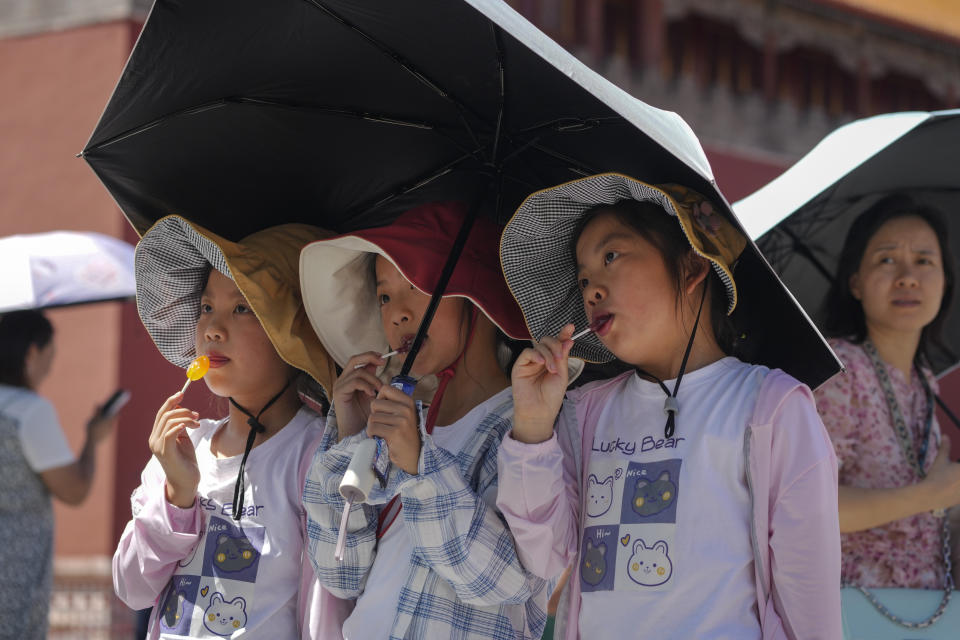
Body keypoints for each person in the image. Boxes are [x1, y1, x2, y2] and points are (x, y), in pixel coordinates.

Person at [495, 174, 842, 639]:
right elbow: (542, 557)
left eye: (611, 256)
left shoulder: (771, 408)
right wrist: (534, 428)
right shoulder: (584, 413)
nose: (592, 288)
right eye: (582, 278)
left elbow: (808, 592)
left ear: (693, 267)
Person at [299, 201, 549, 639]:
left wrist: (420, 467)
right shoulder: (402, 417)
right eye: (383, 295)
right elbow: (341, 575)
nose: (396, 312)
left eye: (415, 283)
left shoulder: (527, 427)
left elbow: (504, 581)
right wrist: (352, 434)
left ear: (477, 294)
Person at [112, 216, 351, 639]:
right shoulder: (184, 448)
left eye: (242, 308)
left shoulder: (316, 453)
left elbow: (327, 608)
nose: (213, 329)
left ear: (293, 331)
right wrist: (177, 496)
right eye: (206, 307)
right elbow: (132, 588)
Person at [814, 194, 960, 589]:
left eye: (925, 261)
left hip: (924, 614)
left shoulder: (923, 383)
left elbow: (931, 516)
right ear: (856, 284)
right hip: (852, 611)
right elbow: (810, 506)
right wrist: (929, 495)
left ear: (945, 283)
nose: (908, 276)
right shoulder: (840, 371)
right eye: (886, 259)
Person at [0, 309, 116, 639]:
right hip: (14, 567)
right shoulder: (30, 411)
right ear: (32, 352)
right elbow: (74, 490)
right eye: (50, 356)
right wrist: (94, 439)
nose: (51, 368)